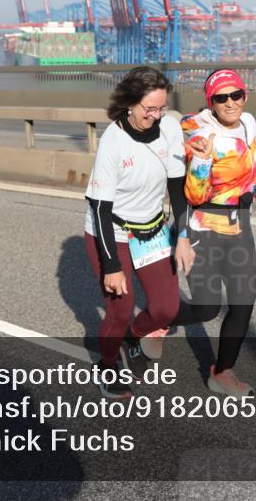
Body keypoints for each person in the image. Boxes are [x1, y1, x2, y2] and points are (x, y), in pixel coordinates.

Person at [83, 66, 195, 400]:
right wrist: (112, 266)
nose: (156, 116)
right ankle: (107, 365)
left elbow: (178, 190)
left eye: (162, 108)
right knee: (121, 308)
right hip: (111, 230)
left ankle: (133, 337)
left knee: (165, 309)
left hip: (152, 227)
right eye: (149, 109)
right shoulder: (113, 142)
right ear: (130, 103)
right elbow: (100, 209)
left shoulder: (169, 127)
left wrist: (183, 236)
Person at [168, 68, 256, 397]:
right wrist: (202, 161)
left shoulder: (249, 124)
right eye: (221, 98)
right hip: (203, 227)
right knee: (207, 309)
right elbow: (194, 196)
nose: (230, 103)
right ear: (211, 102)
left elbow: (246, 174)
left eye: (236, 95)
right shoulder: (201, 135)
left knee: (243, 304)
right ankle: (154, 319)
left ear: (245, 96)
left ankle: (222, 372)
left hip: (239, 224)